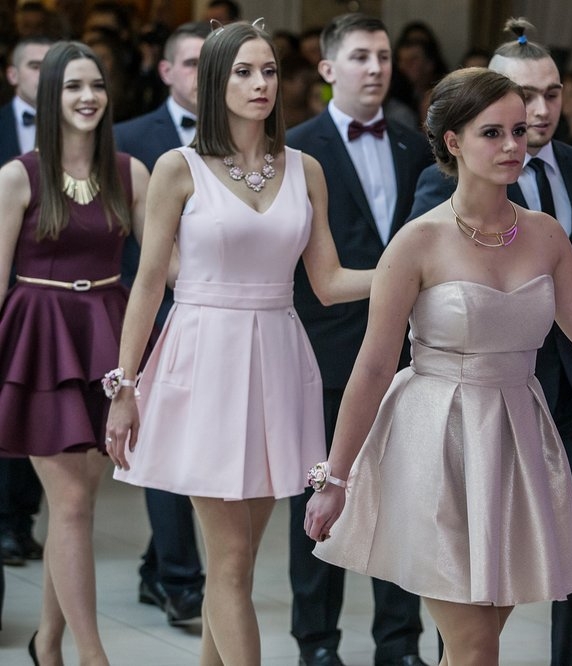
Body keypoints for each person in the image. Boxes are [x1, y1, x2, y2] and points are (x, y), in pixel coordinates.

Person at [303, 65, 572, 666]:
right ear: (454, 142)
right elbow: (374, 369)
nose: (513, 145)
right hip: (436, 440)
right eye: (493, 133)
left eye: (517, 131)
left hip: (516, 439)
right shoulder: (418, 241)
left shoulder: (544, 235)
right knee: (475, 646)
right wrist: (335, 480)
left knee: (478, 643)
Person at [106, 21, 371, 666]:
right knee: (227, 562)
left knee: (239, 563)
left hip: (278, 358)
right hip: (203, 360)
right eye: (243, 72)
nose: (260, 84)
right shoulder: (178, 168)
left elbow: (329, 282)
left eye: (269, 71)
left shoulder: (305, 169)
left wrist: (415, 271)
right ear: (213, 83)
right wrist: (125, 386)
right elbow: (148, 284)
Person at [409, 19, 572, 666]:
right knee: (475, 562)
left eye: (551, 93)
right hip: (486, 398)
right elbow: (422, 295)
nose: (539, 110)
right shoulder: (445, 184)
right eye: (523, 96)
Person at [285, 13, 434, 666]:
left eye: (382, 56)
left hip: (405, 351)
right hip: (325, 345)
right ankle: (316, 642)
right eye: (359, 57)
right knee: (321, 494)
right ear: (327, 69)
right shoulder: (296, 149)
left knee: (400, 498)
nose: (375, 68)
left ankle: (398, 643)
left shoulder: (413, 145)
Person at [0, 40, 149, 666]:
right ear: (48, 95)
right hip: (40, 339)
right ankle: (93, 657)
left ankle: (49, 642)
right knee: (71, 505)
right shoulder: (19, 175)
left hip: (107, 335)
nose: (88, 97)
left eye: (97, 85)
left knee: (77, 506)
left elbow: (166, 266)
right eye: (72, 86)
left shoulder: (130, 172)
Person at [113, 20, 210, 627]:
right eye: (192, 62)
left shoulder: (248, 143)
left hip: (219, 315)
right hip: (152, 311)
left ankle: (157, 568)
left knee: (198, 449)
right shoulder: (128, 137)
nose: (204, 73)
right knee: (165, 442)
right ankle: (181, 579)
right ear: (167, 70)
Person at [0, 36, 50, 570]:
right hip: (13, 291)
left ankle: (22, 521)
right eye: (34, 65)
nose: (44, 74)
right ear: (14, 75)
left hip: (56, 299)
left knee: (46, 418)